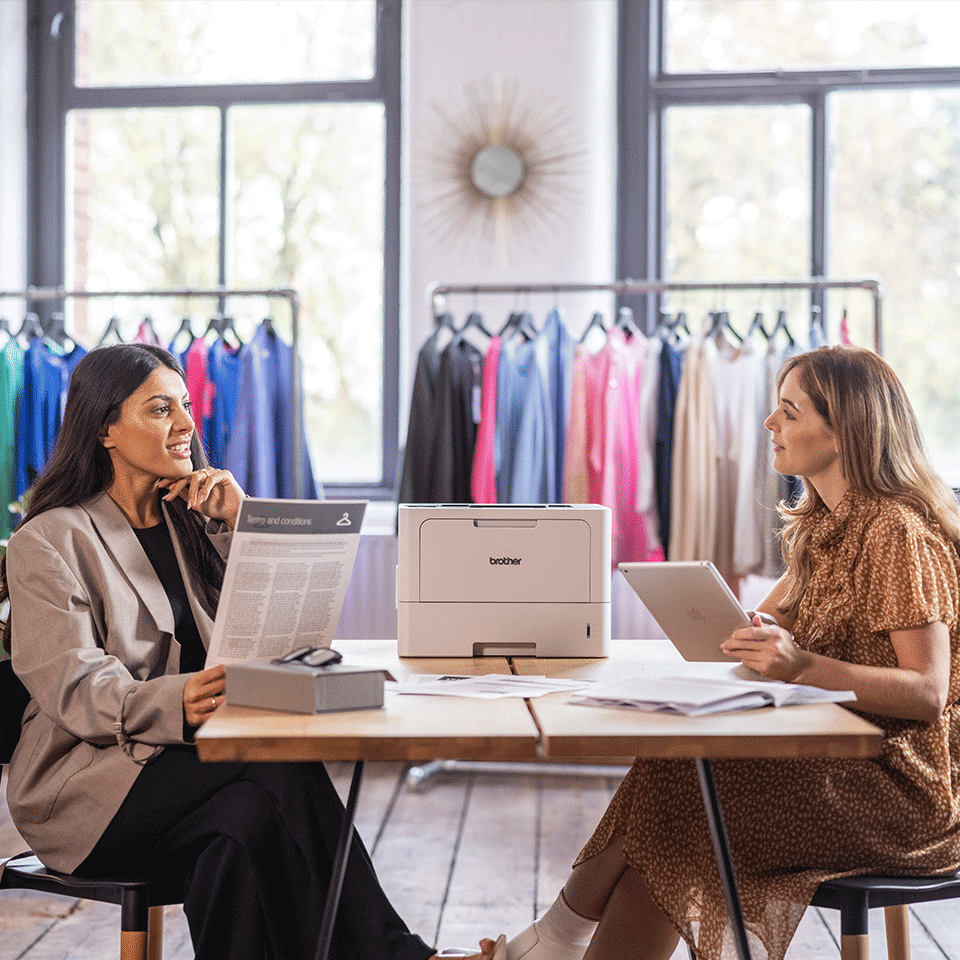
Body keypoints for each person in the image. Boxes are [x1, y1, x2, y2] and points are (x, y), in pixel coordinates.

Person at [0, 343, 499, 960]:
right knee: (274, 769)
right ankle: (403, 957)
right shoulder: (49, 540)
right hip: (88, 787)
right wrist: (175, 697)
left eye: (185, 406)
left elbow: (275, 628)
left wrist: (244, 521)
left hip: (197, 766)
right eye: (160, 410)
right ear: (103, 427)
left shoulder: (189, 520)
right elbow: (72, 685)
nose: (186, 424)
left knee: (240, 834)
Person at [487, 345, 960, 960]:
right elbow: (779, 624)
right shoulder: (824, 526)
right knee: (683, 778)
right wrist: (756, 632)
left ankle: (552, 941)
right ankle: (554, 942)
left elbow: (927, 692)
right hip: (839, 761)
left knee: (689, 790)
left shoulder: (894, 530)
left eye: (789, 413)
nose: (770, 425)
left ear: (845, 429)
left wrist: (803, 665)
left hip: (902, 793)